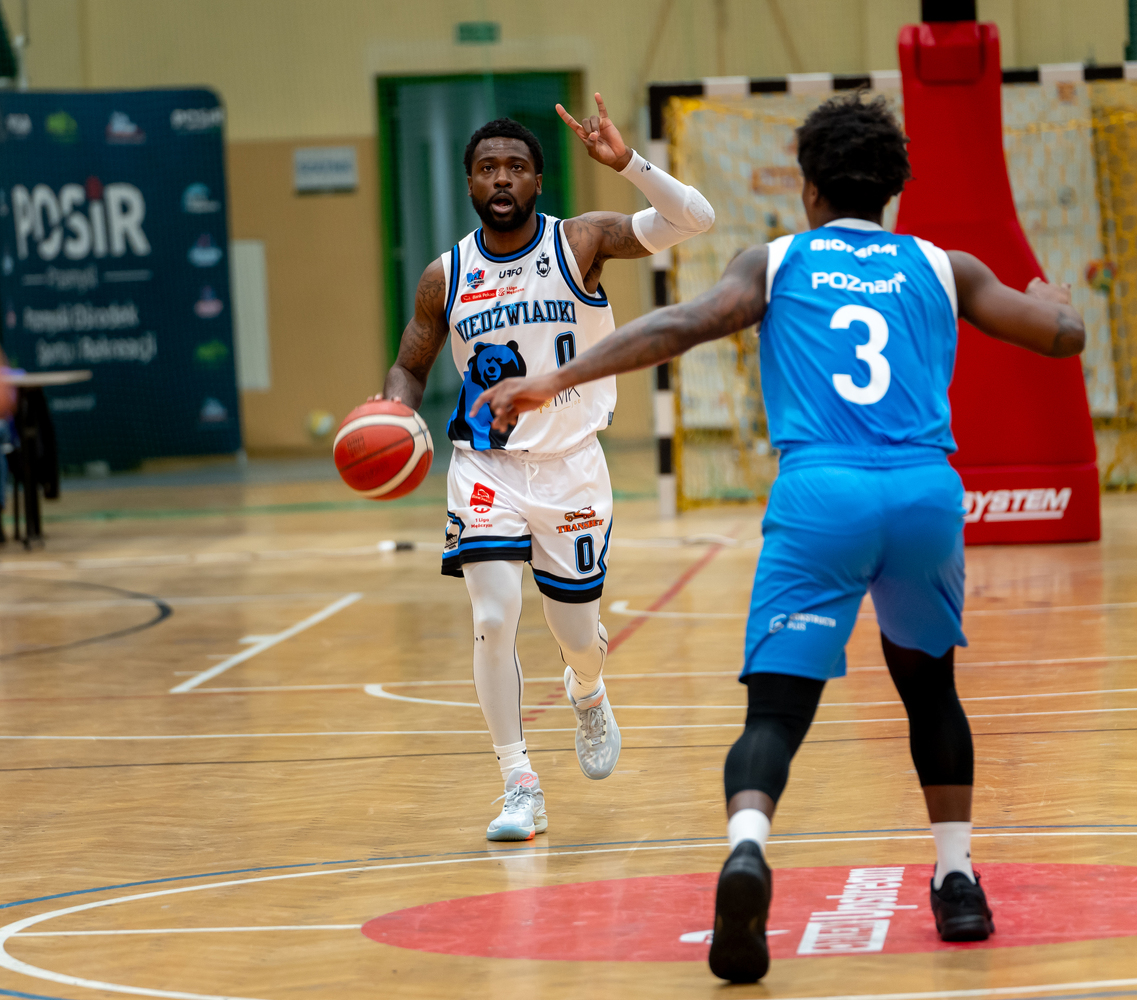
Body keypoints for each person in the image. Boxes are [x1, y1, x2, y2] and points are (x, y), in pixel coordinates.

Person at [473, 93, 1085, 981]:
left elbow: (678, 326)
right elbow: (1061, 338)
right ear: (894, 187)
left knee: (775, 711)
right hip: (923, 495)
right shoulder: (944, 266)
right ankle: (956, 880)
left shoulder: (778, 261)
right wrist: (1052, 299)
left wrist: (550, 381)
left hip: (821, 497)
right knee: (932, 694)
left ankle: (749, 849)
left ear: (808, 187)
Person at [377, 96, 715, 842]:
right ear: (470, 182)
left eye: (516, 167)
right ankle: (518, 782)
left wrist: (628, 163)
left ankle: (586, 689)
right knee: (493, 615)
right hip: (486, 465)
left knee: (577, 634)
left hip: (572, 469)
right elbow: (410, 365)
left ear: (537, 180)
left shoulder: (580, 242)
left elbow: (696, 219)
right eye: (487, 168)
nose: (502, 178)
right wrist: (392, 411)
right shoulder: (445, 276)